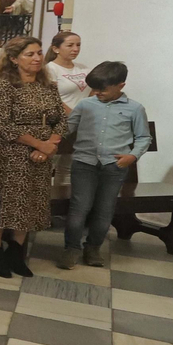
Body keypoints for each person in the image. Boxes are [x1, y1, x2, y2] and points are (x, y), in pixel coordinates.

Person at [0, 37, 67, 279]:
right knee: (4, 202)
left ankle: (16, 253)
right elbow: (4, 126)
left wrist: (51, 144)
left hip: (41, 152)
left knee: (30, 202)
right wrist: (40, 144)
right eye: (29, 54)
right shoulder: (4, 87)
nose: (37, 58)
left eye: (39, 53)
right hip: (9, 152)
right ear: (14, 59)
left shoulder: (48, 86)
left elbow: (61, 118)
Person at [63, 62, 151, 269]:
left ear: (120, 85)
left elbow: (143, 137)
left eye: (102, 89)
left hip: (114, 166)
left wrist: (132, 156)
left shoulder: (135, 108)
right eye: (94, 88)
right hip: (85, 163)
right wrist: (47, 141)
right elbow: (66, 128)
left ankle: (93, 248)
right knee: (79, 208)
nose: (96, 92)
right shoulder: (86, 105)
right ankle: (71, 248)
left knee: (104, 210)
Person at [44, 31, 91, 110]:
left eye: (78, 45)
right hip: (64, 118)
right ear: (56, 49)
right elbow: (52, 98)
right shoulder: (50, 69)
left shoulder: (83, 68)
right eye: (70, 45)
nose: (76, 49)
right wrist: (73, 116)